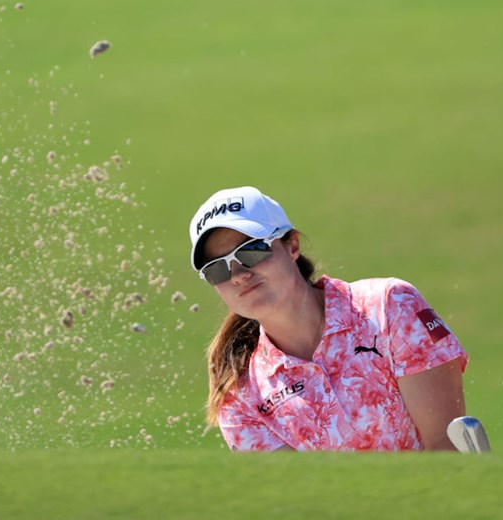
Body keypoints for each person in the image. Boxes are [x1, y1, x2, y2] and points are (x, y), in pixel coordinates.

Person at [189, 186, 469, 451]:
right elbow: (295, 496)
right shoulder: (239, 395)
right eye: (217, 270)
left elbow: (447, 444)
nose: (238, 275)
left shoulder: (389, 306)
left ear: (292, 246)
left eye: (251, 251)